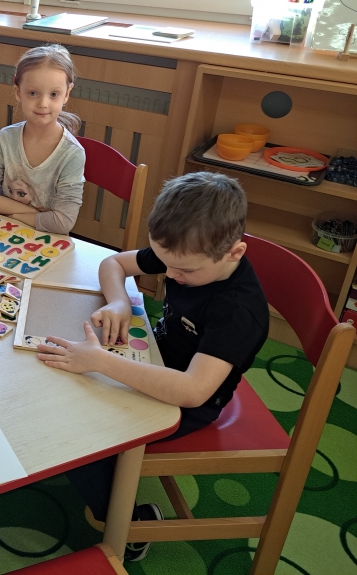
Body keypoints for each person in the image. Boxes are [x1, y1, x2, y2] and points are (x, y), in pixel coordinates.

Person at [38, 171, 268, 561]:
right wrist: (119, 302)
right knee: (67, 387)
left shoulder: (237, 312)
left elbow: (192, 391)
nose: (171, 275)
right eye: (164, 263)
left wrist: (101, 362)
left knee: (79, 434)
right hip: (153, 357)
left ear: (235, 252)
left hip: (190, 400)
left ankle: (127, 519)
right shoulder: (184, 252)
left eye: (185, 271)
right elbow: (113, 263)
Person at [0, 44, 85, 234]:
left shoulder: (73, 154)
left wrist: (13, 215)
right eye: (33, 93)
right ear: (18, 92)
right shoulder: (4, 139)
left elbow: (63, 223)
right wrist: (35, 213)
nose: (43, 103)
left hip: (48, 242)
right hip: (2, 235)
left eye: (54, 94)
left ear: (67, 94)